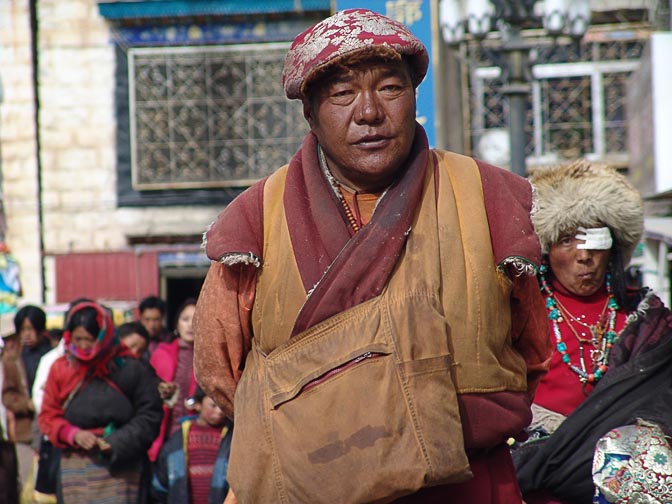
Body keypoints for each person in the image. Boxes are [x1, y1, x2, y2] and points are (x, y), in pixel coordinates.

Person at [193, 8, 551, 503]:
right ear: (310, 113)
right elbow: (219, 370)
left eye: (389, 88)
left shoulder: (485, 196)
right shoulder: (255, 219)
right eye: (342, 94)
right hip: (310, 488)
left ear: (414, 96)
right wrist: (322, 438)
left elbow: (534, 351)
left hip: (468, 482)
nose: (368, 112)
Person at [513, 161, 672, 503]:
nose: (583, 256)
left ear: (614, 247)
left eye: (595, 240)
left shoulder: (648, 320)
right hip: (539, 482)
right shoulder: (519, 313)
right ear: (547, 249)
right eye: (567, 240)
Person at [37, 301, 163, 503]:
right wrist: (73, 434)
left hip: (122, 467)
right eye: (78, 339)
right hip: (75, 467)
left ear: (104, 335)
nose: (84, 346)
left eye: (90, 339)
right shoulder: (61, 369)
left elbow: (150, 415)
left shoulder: (130, 369)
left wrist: (115, 442)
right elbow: (48, 415)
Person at [151, 386, 233, 504]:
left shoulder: (231, 438)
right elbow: (160, 487)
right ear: (198, 405)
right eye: (213, 405)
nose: (219, 411)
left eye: (223, 406)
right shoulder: (177, 441)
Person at [148, 298, 198, 462]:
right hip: (163, 435)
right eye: (185, 319)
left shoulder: (210, 357)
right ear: (177, 324)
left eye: (196, 319)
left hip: (198, 436)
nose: (190, 325)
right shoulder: (161, 353)